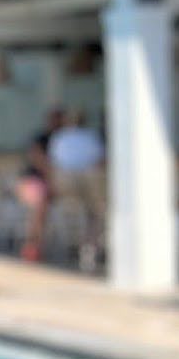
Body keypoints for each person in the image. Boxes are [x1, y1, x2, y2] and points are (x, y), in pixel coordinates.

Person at [47, 109, 107, 270]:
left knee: (91, 213)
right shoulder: (89, 137)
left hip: (71, 193)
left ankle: (84, 249)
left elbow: (53, 165)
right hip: (81, 193)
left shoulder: (60, 138)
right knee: (96, 214)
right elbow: (101, 161)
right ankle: (87, 249)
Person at [15, 106, 65, 262]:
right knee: (39, 205)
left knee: (43, 205)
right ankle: (32, 245)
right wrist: (50, 175)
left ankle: (34, 244)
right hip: (31, 183)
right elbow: (37, 159)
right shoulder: (42, 138)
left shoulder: (63, 139)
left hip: (52, 186)